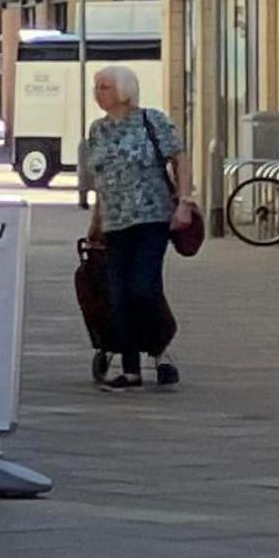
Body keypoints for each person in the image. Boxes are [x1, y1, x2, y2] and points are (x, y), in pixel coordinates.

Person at [78, 66, 191, 390]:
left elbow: (179, 158)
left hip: (152, 217)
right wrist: (96, 220)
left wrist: (184, 201)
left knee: (144, 287)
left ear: (125, 90)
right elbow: (101, 178)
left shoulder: (151, 121)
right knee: (118, 294)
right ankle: (130, 370)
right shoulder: (97, 130)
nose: (99, 93)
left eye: (106, 87)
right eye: (97, 88)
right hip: (115, 221)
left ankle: (159, 350)